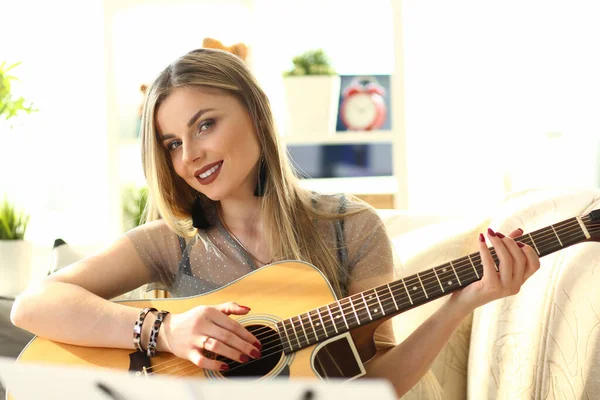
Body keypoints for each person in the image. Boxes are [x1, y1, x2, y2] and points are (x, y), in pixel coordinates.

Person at [10, 48, 540, 398]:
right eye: (173, 143)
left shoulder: (351, 228)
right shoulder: (171, 243)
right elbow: (34, 306)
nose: (190, 154)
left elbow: (374, 385)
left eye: (205, 125)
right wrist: (166, 330)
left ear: (256, 114)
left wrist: (462, 302)